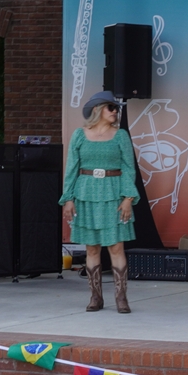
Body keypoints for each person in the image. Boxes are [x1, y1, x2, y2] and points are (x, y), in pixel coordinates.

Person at [60, 91, 138, 314]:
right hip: (86, 194)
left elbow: (129, 169)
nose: (115, 112)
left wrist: (128, 198)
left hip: (114, 194)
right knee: (92, 248)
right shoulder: (79, 135)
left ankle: (121, 298)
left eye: (116, 108)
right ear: (97, 109)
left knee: (116, 247)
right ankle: (95, 297)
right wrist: (68, 199)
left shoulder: (120, 135)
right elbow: (71, 169)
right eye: (110, 107)